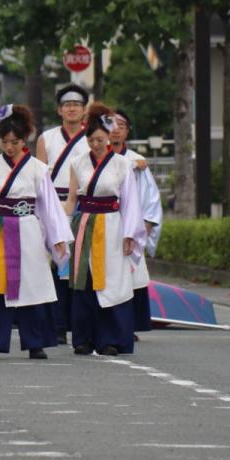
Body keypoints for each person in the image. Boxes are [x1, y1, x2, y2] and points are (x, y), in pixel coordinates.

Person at [0, 105, 72, 360]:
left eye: (14, 142)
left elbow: (48, 207)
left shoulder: (38, 169)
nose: (9, 147)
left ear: (24, 139)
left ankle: (36, 342)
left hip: (28, 228)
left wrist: (57, 238)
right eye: (4, 142)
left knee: (33, 285)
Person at [64, 104, 147, 356]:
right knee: (84, 280)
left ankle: (111, 338)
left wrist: (130, 234)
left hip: (112, 225)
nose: (96, 144)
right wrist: (63, 230)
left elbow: (131, 201)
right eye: (91, 139)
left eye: (100, 139)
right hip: (85, 224)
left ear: (108, 137)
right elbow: (71, 199)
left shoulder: (122, 164)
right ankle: (83, 338)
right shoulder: (77, 163)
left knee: (112, 281)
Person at [36, 84, 90, 345]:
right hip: (51, 205)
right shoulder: (46, 138)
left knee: (76, 268)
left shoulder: (92, 137)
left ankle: (76, 324)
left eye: (77, 105)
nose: (71, 109)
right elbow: (39, 176)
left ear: (84, 110)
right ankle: (55, 325)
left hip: (82, 207)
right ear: (59, 110)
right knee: (50, 266)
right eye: (67, 105)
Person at [111, 108, 163, 334]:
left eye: (120, 126)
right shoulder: (94, 159)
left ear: (127, 131)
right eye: (110, 126)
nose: (115, 131)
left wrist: (146, 226)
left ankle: (128, 326)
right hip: (104, 224)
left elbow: (151, 198)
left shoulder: (137, 162)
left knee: (133, 277)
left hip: (132, 228)